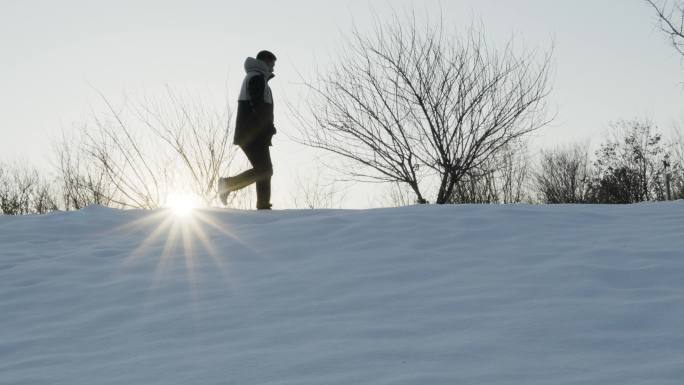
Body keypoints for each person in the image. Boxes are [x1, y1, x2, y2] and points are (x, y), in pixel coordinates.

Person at [218, 50, 277, 210]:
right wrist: (267, 127)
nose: (273, 69)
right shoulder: (256, 78)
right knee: (265, 169)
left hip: (255, 134)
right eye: (272, 64)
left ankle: (263, 205)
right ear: (264, 62)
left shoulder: (257, 78)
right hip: (253, 135)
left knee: (264, 169)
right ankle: (228, 184)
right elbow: (257, 105)